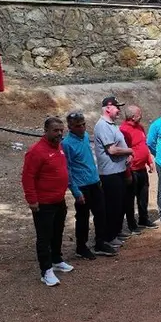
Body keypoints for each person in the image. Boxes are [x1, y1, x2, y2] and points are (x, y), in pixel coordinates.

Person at [21, 117, 74, 286]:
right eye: (55, 130)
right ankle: (46, 271)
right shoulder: (36, 151)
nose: (59, 133)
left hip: (59, 200)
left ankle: (56, 260)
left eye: (61, 130)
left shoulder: (59, 147)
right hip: (43, 203)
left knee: (57, 231)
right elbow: (28, 177)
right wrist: (32, 200)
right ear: (46, 131)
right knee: (44, 237)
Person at [62, 111, 114, 259]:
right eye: (78, 126)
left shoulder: (85, 136)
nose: (82, 128)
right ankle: (81, 247)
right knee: (83, 217)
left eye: (83, 124)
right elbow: (67, 169)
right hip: (81, 186)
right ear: (70, 127)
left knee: (100, 213)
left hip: (94, 182)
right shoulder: (66, 144)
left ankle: (100, 242)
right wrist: (75, 191)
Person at [94, 96, 134, 250]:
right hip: (109, 173)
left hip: (118, 170)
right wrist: (129, 151)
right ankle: (109, 237)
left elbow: (118, 146)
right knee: (112, 206)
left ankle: (116, 232)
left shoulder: (111, 124)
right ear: (108, 108)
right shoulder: (102, 126)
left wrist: (126, 155)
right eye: (117, 107)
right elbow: (112, 150)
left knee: (119, 204)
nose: (119, 110)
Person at [120, 105, 158, 231]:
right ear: (133, 117)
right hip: (132, 169)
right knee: (130, 198)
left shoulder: (140, 127)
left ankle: (143, 219)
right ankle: (132, 224)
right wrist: (127, 172)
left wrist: (149, 161)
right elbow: (124, 151)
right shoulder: (124, 130)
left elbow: (144, 145)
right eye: (139, 114)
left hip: (142, 168)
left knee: (143, 195)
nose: (141, 116)